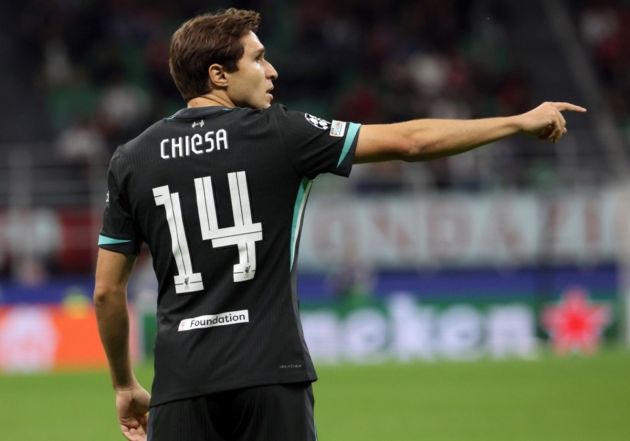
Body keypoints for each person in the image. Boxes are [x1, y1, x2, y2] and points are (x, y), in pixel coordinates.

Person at [93, 8, 586, 441]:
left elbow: (107, 294)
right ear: (219, 74)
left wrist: (123, 384)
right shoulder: (279, 133)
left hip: (181, 386)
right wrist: (518, 121)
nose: (272, 70)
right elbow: (411, 141)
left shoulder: (130, 159)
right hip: (271, 374)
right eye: (258, 58)